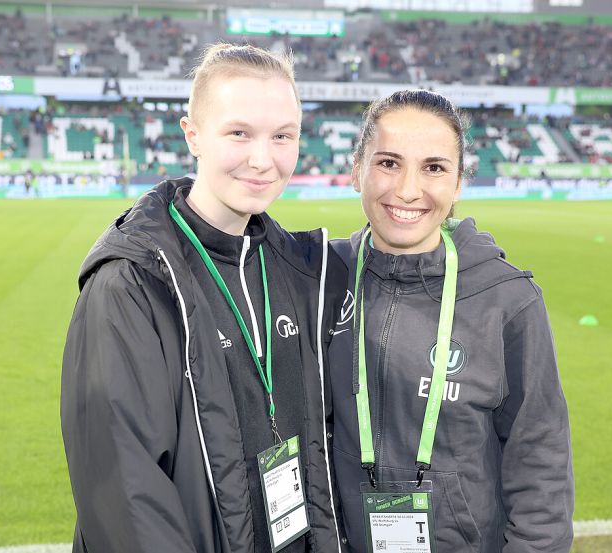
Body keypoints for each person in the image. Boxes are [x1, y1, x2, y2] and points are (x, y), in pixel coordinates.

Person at [61, 43, 345, 553]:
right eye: (239, 133)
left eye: (283, 136)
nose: (263, 159)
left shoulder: (295, 268)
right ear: (192, 133)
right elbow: (127, 497)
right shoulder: (131, 283)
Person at [327, 90, 574, 552]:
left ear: (459, 182)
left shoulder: (508, 300)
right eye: (388, 163)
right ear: (357, 168)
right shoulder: (319, 277)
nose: (407, 189)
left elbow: (540, 460)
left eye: (434, 168)